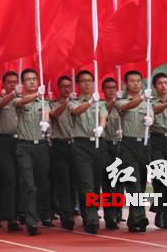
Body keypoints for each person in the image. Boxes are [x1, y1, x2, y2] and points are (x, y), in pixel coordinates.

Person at [13, 68, 51, 236]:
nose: (32, 82)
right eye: (28, 79)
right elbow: (18, 104)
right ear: (23, 83)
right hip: (24, 146)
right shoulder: (19, 99)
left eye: (34, 79)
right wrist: (37, 95)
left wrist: (46, 123)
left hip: (41, 146)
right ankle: (31, 222)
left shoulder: (44, 101)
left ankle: (33, 212)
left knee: (42, 184)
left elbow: (47, 114)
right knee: (30, 185)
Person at [115, 70, 154, 233]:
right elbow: (126, 106)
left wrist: (150, 119)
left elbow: (151, 114)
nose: (136, 83)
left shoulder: (148, 101)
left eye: (138, 80)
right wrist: (142, 99)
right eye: (132, 81)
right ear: (126, 83)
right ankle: (140, 216)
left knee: (141, 184)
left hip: (144, 145)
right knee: (133, 183)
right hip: (127, 145)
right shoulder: (121, 100)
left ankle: (133, 220)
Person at [70, 70, 108, 234]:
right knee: (86, 182)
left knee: (96, 183)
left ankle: (89, 213)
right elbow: (76, 111)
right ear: (78, 84)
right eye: (84, 81)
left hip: (98, 144)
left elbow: (103, 116)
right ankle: (92, 218)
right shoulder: (73, 101)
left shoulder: (101, 102)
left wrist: (101, 127)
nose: (87, 83)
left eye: (90, 81)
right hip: (81, 145)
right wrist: (91, 102)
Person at [0, 71, 23, 232]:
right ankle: (10, 217)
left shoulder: (19, 99)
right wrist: (12, 94)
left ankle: (19, 214)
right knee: (9, 178)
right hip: (4, 142)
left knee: (20, 179)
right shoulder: (0, 98)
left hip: (21, 142)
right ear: (3, 84)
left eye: (15, 82)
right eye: (9, 82)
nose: (12, 84)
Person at [149, 72, 167, 229]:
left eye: (166, 82)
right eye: (160, 83)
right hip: (156, 140)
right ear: (155, 86)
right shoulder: (151, 102)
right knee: (160, 178)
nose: (164, 85)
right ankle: (159, 212)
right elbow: (154, 110)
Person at [48, 75, 76, 231]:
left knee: (75, 182)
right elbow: (54, 115)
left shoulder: (76, 104)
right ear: (58, 88)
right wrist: (66, 103)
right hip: (59, 145)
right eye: (64, 86)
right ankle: (67, 216)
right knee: (63, 182)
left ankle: (74, 209)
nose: (67, 89)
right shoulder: (53, 104)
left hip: (76, 145)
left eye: (69, 86)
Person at [101, 77, 123, 229]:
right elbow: (105, 111)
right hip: (105, 145)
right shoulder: (101, 105)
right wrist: (113, 103)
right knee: (109, 182)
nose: (112, 90)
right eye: (108, 87)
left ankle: (118, 212)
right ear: (103, 90)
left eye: (114, 87)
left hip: (121, 145)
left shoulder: (121, 104)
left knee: (121, 182)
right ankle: (110, 217)